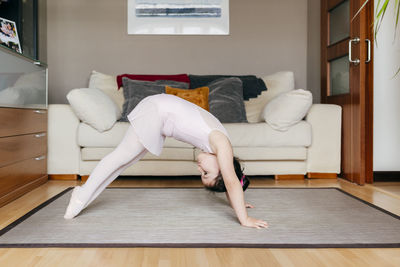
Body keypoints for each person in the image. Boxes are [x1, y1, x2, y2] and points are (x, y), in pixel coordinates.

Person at [64, 93, 268, 229]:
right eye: (205, 173)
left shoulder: (221, 150)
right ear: (223, 168)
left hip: (160, 111)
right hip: (158, 110)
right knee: (122, 156)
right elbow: (231, 182)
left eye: (201, 175)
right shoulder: (222, 144)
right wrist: (245, 219)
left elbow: (230, 181)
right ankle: (82, 194)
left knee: (127, 160)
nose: (199, 169)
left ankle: (86, 194)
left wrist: (237, 202)